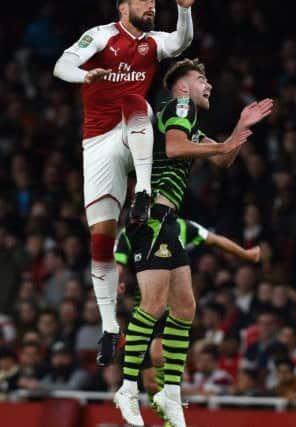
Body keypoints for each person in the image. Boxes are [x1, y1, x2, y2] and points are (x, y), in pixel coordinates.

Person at [114, 57, 273, 426]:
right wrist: (224, 144)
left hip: (168, 221)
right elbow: (173, 148)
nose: (209, 85)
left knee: (185, 307)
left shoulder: (188, 119)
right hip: (151, 217)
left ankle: (170, 394)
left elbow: (223, 160)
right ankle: (127, 388)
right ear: (182, 86)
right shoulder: (178, 106)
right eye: (202, 78)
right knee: (153, 305)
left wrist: (239, 129)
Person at [53, 0, 195, 367]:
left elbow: (181, 43)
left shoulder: (151, 42)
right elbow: (62, 65)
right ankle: (109, 326)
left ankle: (143, 191)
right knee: (100, 237)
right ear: (123, 6)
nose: (151, 5)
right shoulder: (100, 36)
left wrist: (184, 10)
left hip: (134, 133)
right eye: (143, 0)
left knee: (137, 102)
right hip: (99, 143)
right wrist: (84, 76)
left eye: (154, 1)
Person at [114, 217, 261, 411]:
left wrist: (246, 254)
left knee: (157, 354)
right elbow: (117, 263)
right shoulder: (128, 234)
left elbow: (215, 240)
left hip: (170, 311)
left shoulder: (182, 226)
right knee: (149, 383)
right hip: (144, 312)